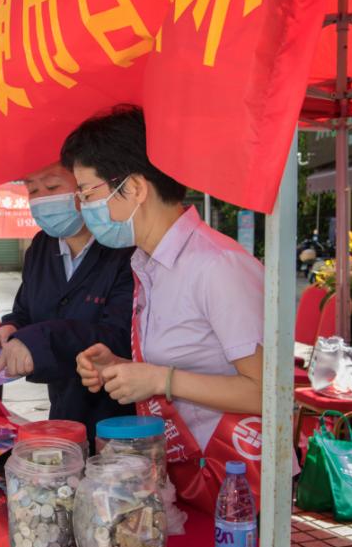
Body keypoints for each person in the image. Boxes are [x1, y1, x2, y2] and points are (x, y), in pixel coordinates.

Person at [67, 105, 266, 512]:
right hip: (190, 474)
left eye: (88, 192)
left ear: (136, 188)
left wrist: (159, 379)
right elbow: (190, 359)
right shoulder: (149, 263)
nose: (82, 207)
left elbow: (270, 394)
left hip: (238, 481)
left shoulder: (215, 266)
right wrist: (122, 366)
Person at [0, 162, 135, 443]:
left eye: (52, 187)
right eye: (32, 190)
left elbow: (120, 336)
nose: (42, 199)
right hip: (63, 413)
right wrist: (11, 328)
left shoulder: (124, 248)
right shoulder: (41, 246)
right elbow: (26, 309)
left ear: (84, 186)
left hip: (121, 422)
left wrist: (36, 340)